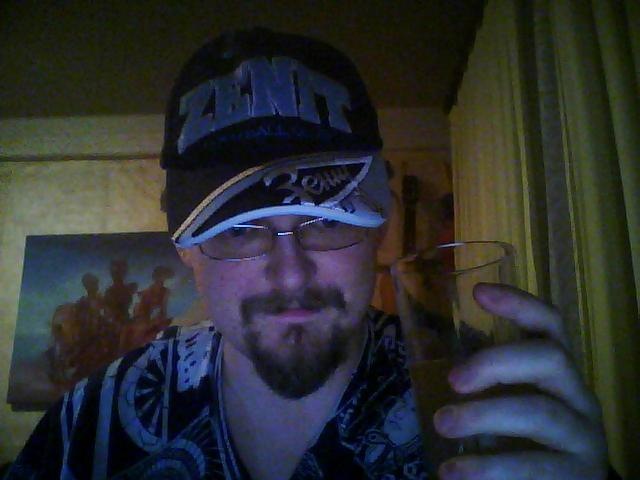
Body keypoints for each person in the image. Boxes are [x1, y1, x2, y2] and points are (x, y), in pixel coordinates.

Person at [6, 28, 616, 480]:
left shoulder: (475, 392)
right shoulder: (96, 422)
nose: (290, 272)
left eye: (325, 221)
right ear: (188, 250)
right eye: (241, 231)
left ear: (380, 228)